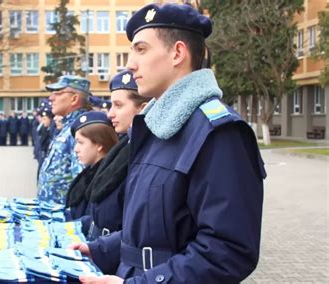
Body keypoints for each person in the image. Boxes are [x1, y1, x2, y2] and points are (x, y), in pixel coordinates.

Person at [72, 3, 266, 283]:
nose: (130, 63)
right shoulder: (155, 126)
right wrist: (98, 250)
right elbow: (151, 229)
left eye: (141, 49)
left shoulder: (219, 133)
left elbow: (229, 250)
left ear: (177, 53)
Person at [83, 70, 150, 244]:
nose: (110, 114)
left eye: (118, 105)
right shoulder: (125, 145)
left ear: (142, 109)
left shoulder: (145, 151)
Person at [37, 75, 91, 204]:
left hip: (63, 216)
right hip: (52, 213)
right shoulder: (68, 126)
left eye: (58, 93)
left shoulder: (81, 129)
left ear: (74, 99)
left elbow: (81, 180)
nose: (51, 98)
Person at [65, 111, 118, 221]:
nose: (76, 149)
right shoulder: (90, 172)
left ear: (99, 144)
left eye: (80, 142)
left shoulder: (107, 179)